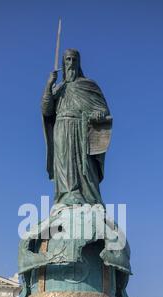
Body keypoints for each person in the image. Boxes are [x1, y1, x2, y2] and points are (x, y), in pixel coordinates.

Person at [41, 49, 111, 206]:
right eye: (68, 60)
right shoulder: (58, 88)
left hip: (80, 129)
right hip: (61, 128)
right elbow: (46, 110)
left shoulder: (88, 85)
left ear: (78, 63)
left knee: (83, 165)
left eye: (74, 60)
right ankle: (66, 196)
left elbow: (103, 109)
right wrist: (48, 85)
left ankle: (89, 198)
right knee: (64, 164)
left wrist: (99, 114)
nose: (71, 63)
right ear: (63, 64)